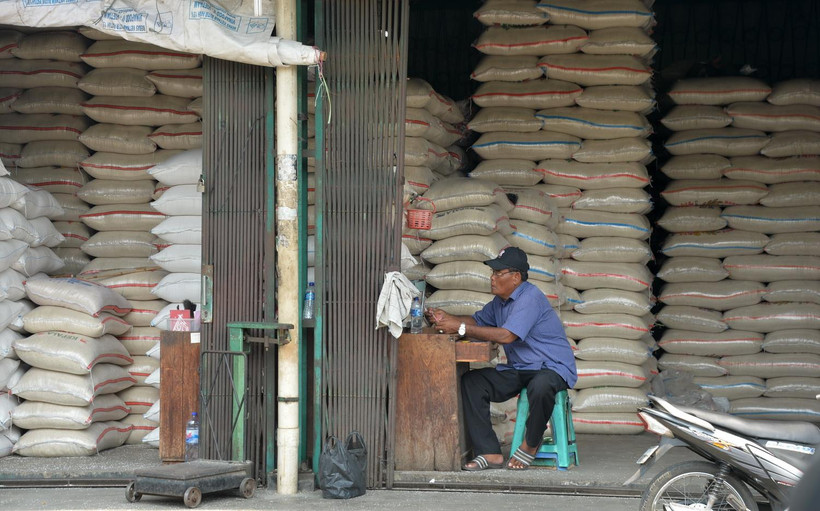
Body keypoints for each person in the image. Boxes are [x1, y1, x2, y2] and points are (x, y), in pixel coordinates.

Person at [425, 247, 577, 471]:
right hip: (521, 368)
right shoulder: (500, 303)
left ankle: (531, 444)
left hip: (551, 367)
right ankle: (490, 452)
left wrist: (460, 327)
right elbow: (478, 321)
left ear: (515, 277)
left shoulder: (530, 297)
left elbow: (507, 335)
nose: (492, 278)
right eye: (492, 273)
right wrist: (447, 318)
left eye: (498, 273)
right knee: (473, 382)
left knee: (542, 385)